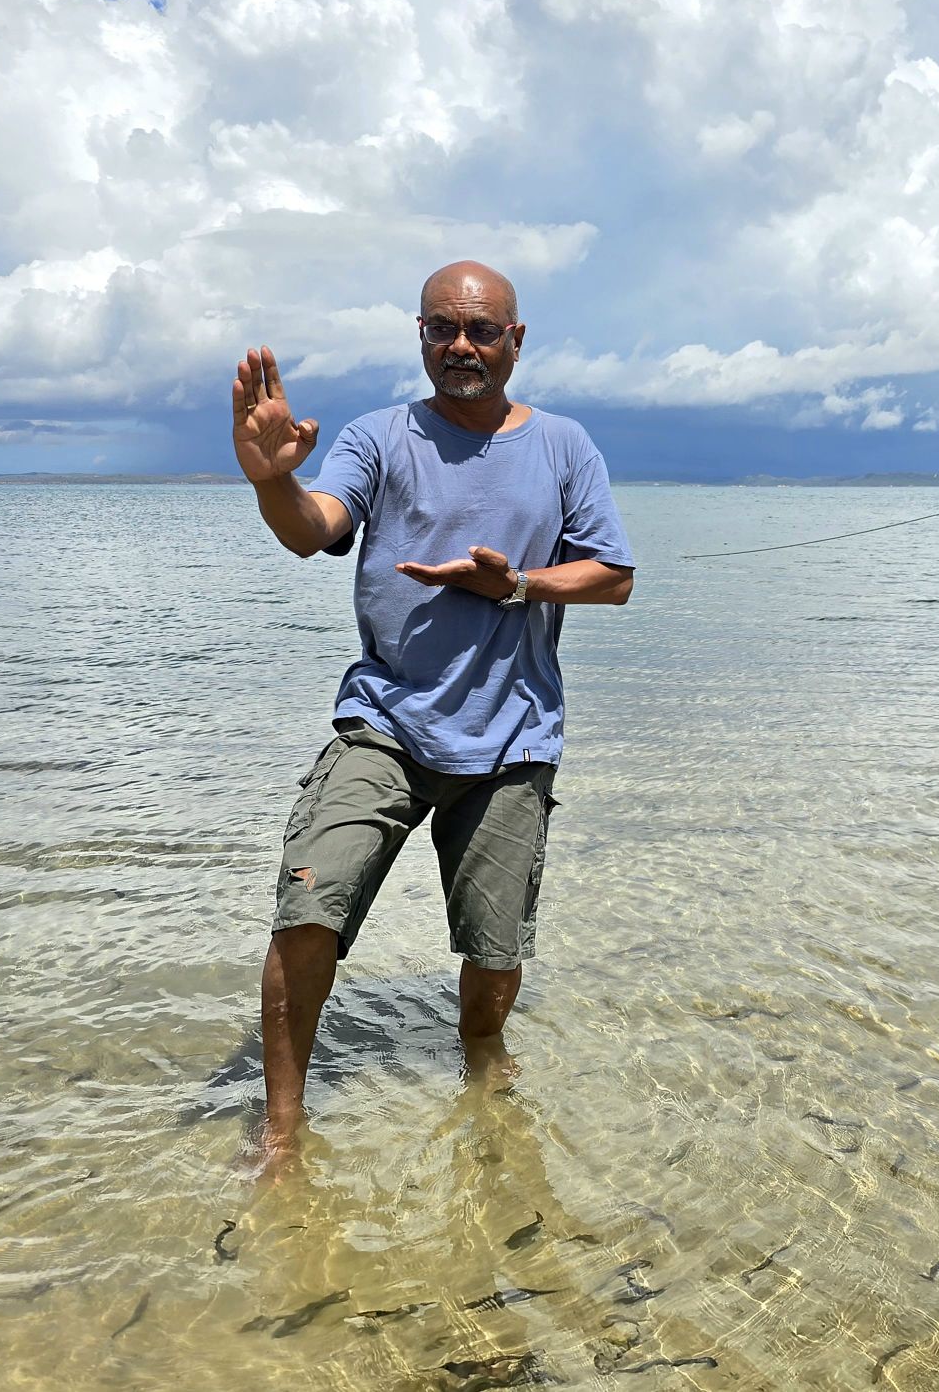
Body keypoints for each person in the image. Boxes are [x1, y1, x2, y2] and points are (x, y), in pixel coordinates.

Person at [230, 260, 635, 1142]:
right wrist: (272, 481)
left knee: (493, 962)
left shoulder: (564, 446)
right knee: (309, 907)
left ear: (515, 341)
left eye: (481, 330)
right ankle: (282, 1133)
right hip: (384, 721)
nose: (461, 346)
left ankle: (483, 1088)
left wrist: (518, 585)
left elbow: (613, 579)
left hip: (513, 738)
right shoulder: (379, 437)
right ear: (419, 335)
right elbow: (317, 529)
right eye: (442, 328)